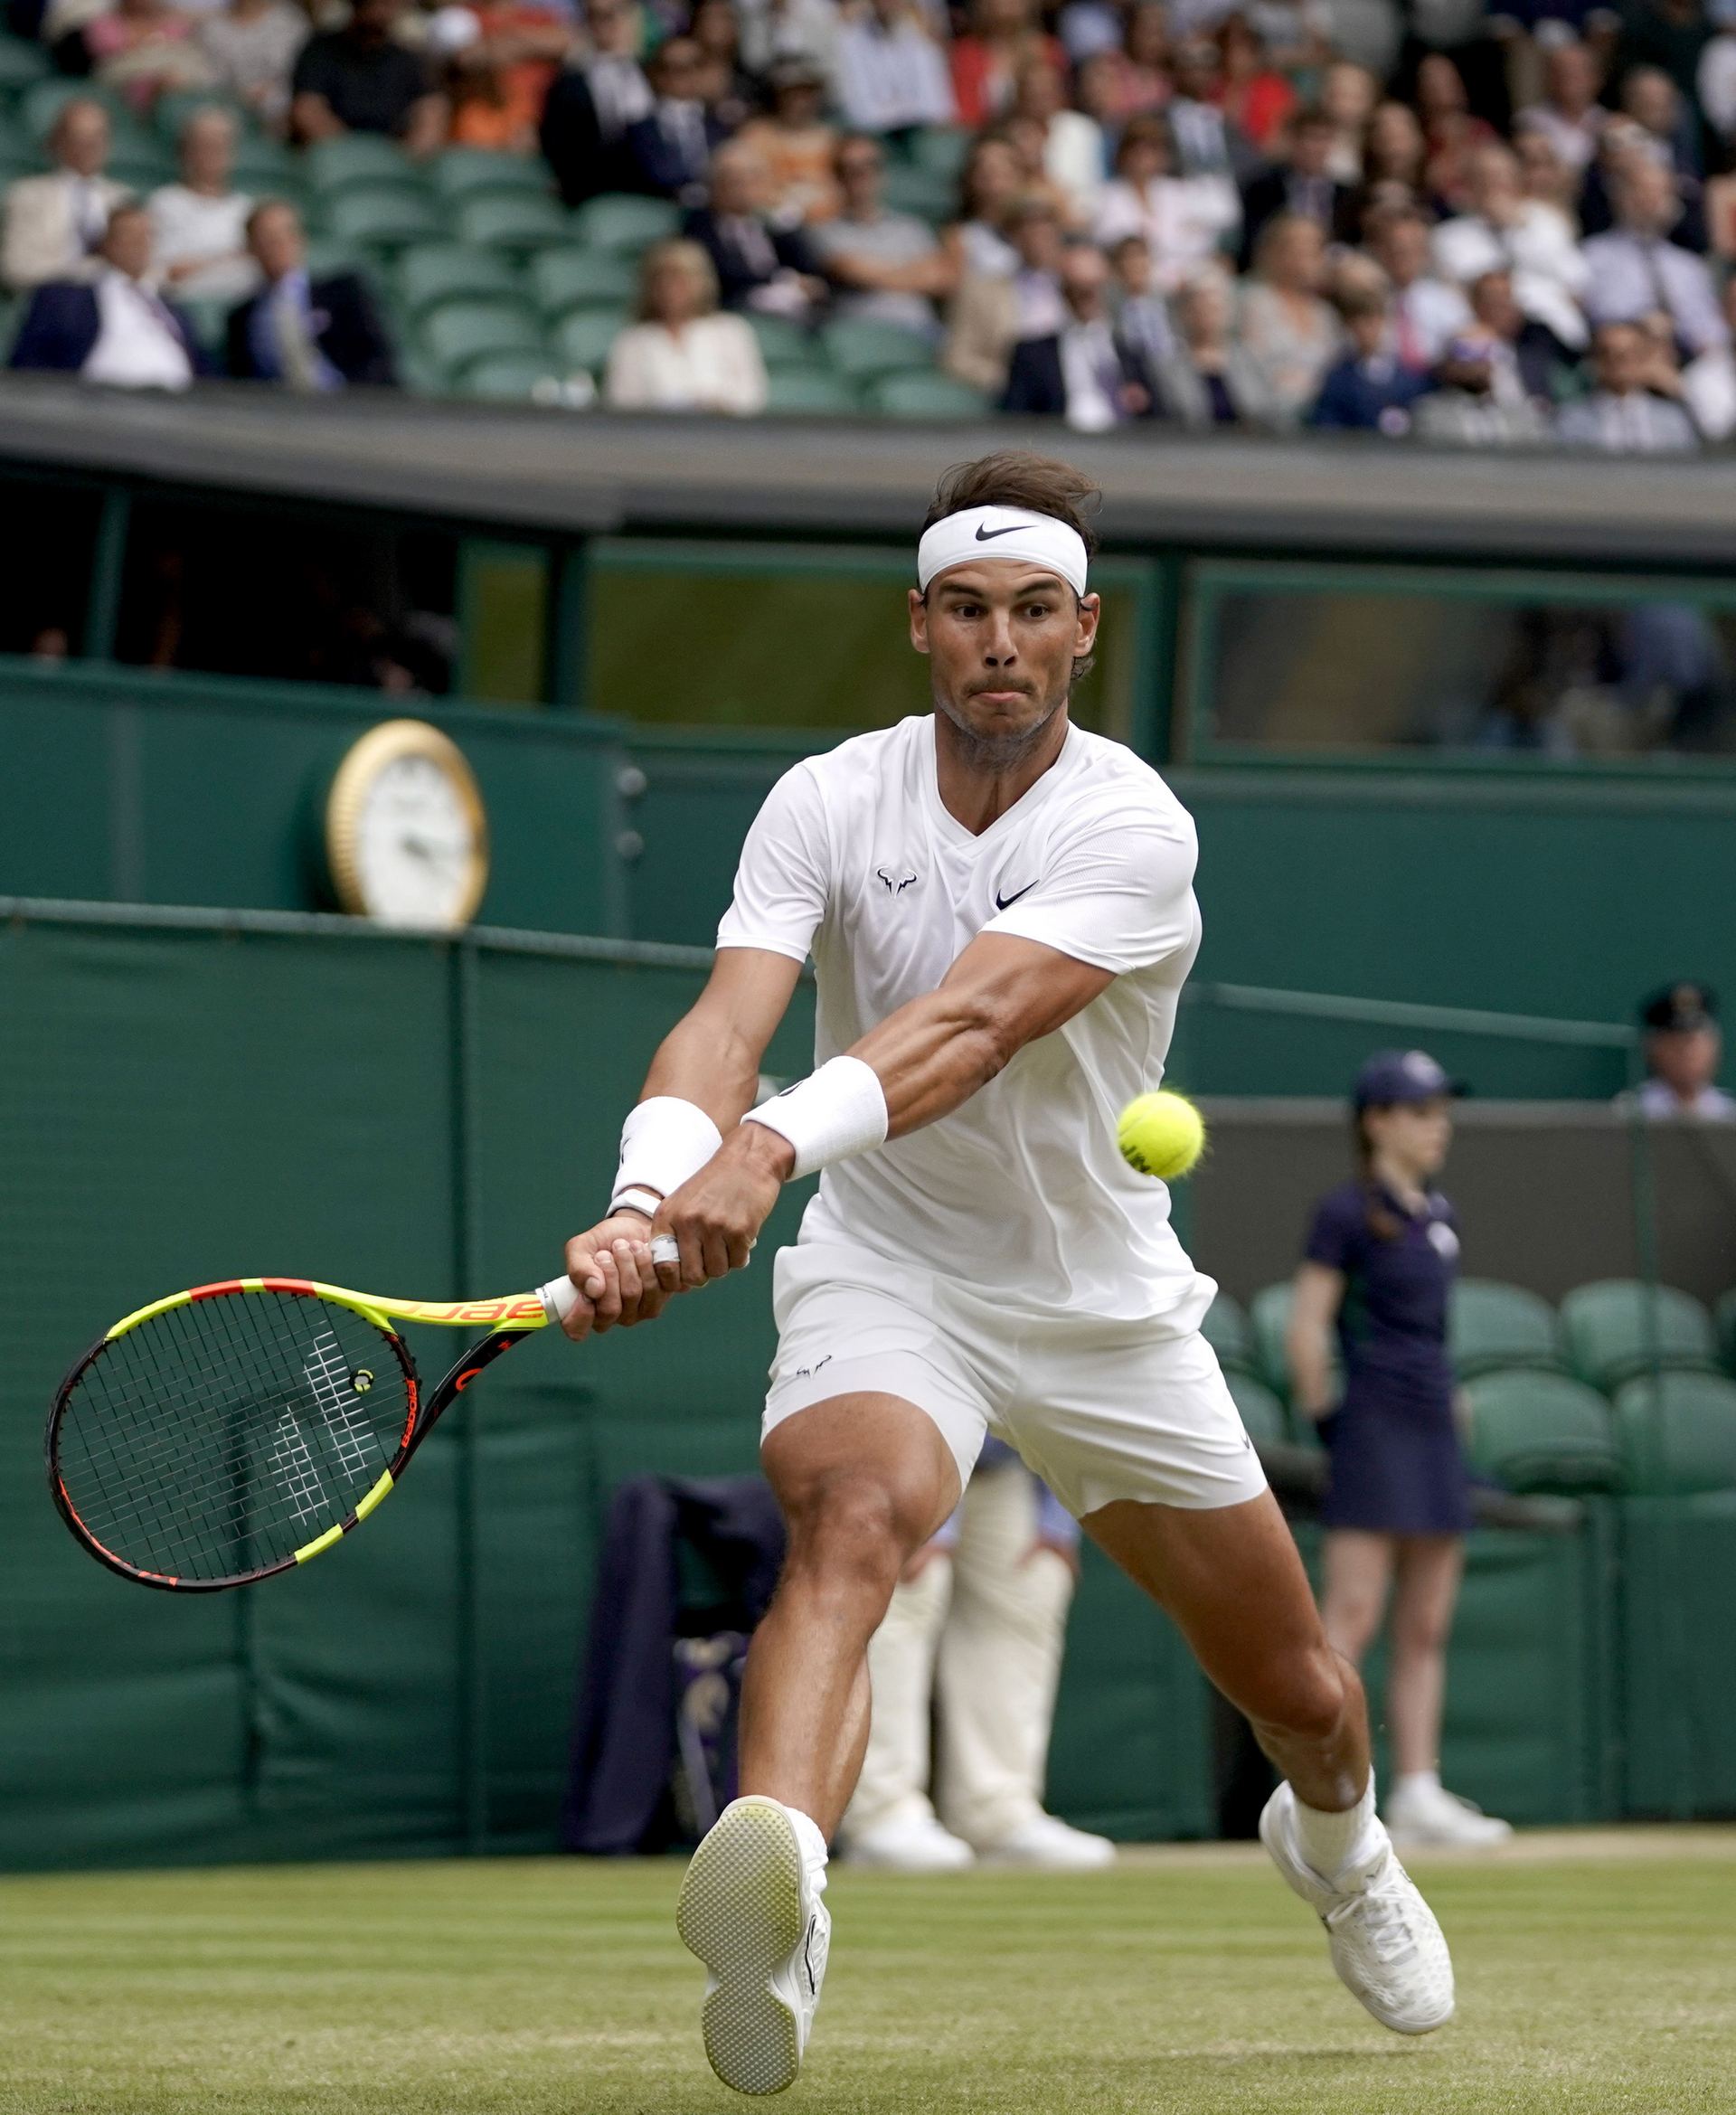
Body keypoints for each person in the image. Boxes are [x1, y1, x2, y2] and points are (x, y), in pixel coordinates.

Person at [553, 448, 1456, 2097]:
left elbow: (965, 1027)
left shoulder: (1133, 823)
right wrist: (645, 1186)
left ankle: (1341, 1849)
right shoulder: (825, 795)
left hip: (1100, 1302)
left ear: (1082, 631)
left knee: (1304, 1687)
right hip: (890, 1263)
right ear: (918, 624)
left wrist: (755, 1154)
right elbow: (725, 1020)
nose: (998, 641)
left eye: (1033, 611)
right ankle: (784, 1891)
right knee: (852, 1521)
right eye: (966, 609)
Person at [1286, 1049, 1514, 1853]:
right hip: (1374, 1426)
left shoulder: (1439, 1214)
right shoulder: (1344, 1213)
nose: (1437, 1127)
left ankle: (1418, 1789)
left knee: (1425, 1624)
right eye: (1421, 1112)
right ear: (1376, 1120)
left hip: (1432, 1431)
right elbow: (1307, 1329)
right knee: (1351, 1616)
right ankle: (1324, 1791)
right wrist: (1330, 1421)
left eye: (1441, 1112)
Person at [839, 1440, 1116, 1871]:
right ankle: (880, 1816)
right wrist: (937, 1519)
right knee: (910, 1590)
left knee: (1033, 1587)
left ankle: (996, 1814)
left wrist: (1060, 1517)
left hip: (1018, 1463)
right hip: (906, 1447)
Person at [10, 201, 203, 388]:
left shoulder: (173, 309)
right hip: (96, 407)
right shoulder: (63, 300)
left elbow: (203, 368)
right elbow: (30, 365)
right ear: (106, 243)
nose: (139, 244)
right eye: (129, 235)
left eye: (147, 236)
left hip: (178, 410)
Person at [1432, 142, 1589, 352]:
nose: (1493, 185)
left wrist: (1515, 228)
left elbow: (1575, 285)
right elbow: (1453, 297)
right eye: (1483, 177)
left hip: (1551, 333)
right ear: (1468, 186)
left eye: (1500, 176)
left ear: (1516, 180)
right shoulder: (1448, 236)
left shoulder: (1545, 220)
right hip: (1487, 341)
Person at [225, 199, 398, 386]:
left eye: (287, 233)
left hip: (351, 404)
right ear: (251, 248)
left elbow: (377, 359)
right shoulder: (242, 319)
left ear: (301, 239)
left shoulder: (343, 293)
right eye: (268, 238)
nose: (280, 245)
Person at [810, 134, 955, 337]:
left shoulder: (912, 227)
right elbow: (853, 271)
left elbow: (940, 279)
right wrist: (915, 272)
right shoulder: (824, 232)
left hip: (923, 332)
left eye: (871, 165)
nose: (862, 174)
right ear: (837, 177)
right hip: (865, 334)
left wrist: (878, 274)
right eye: (850, 168)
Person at [1580, 158, 1727, 358]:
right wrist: (1640, 322)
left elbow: (1711, 330)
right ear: (1619, 196)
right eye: (1640, 190)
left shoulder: (1690, 266)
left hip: (1686, 361)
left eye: (1660, 192)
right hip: (1622, 361)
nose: (1649, 200)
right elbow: (1596, 313)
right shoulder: (1594, 255)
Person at [603, 236, 768, 411]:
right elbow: (621, 405)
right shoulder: (633, 341)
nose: (670, 289)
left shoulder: (732, 331)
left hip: (723, 433)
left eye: (680, 280)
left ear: (702, 283)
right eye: (661, 281)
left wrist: (715, 403)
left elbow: (752, 395)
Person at [999, 242, 1156, 427]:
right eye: (1078, 289)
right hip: (1061, 447)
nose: (1089, 297)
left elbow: (1158, 417)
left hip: (1124, 445)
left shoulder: (1131, 351)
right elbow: (1015, 420)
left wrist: (1143, 402)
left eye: (1095, 287)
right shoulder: (1033, 355)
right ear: (1063, 291)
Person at [682, 141, 828, 320]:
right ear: (715, 185)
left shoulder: (771, 221)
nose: (746, 188)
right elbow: (721, 275)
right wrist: (781, 280)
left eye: (754, 179)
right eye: (735, 181)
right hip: (736, 309)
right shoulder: (700, 225)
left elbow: (806, 264)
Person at [2, 99, 130, 295]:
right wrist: (85, 271)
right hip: (53, 304)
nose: (90, 146)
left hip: (116, 304)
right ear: (57, 141)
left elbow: (139, 270)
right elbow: (15, 268)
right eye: (79, 137)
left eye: (98, 136)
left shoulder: (123, 198)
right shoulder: (26, 196)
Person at [941, 193, 1064, 393]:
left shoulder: (1079, 285)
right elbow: (957, 358)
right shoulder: (981, 291)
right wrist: (1010, 379)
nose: (1038, 235)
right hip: (1018, 397)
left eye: (1045, 225)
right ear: (1011, 235)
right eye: (1026, 227)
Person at [289, 0, 448, 156]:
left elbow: (432, 110)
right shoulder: (320, 52)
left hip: (393, 158)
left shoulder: (408, 60)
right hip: (334, 160)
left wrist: (403, 160)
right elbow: (307, 110)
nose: (380, 9)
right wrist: (356, 156)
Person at [1093, 114, 1231, 292]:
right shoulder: (1110, 196)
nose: (1144, 158)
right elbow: (1114, 243)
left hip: (1184, 277)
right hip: (1135, 282)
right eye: (1137, 151)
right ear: (1124, 154)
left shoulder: (1177, 193)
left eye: (1151, 150)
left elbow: (1200, 240)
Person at [538, 0, 653, 207]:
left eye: (613, 14)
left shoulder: (652, 74)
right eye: (595, 16)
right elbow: (558, 144)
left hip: (646, 189)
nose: (606, 24)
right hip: (590, 192)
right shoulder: (569, 82)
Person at [1151, 263, 1287, 426]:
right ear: (1183, 312)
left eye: (1214, 306)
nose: (1207, 313)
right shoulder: (1167, 367)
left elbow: (1268, 411)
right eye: (1198, 305)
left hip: (1248, 448)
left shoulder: (1249, 359)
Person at [1238, 211, 1341, 420]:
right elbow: (1246, 365)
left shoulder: (1327, 314)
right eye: (1297, 247)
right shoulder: (1252, 301)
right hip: (1267, 416)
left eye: (1315, 248)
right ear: (1273, 252)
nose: (1307, 255)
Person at [149, 106, 256, 302]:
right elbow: (166, 272)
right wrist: (228, 259)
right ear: (185, 152)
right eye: (203, 146)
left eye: (220, 146)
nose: (211, 155)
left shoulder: (247, 208)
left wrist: (200, 265)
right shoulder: (164, 202)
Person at [1237, 105, 1360, 267]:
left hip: (1333, 269)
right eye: (1308, 138)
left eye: (1323, 139)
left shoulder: (1347, 195)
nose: (1314, 148)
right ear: (1292, 140)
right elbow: (1253, 242)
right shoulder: (1263, 188)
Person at [1555, 317, 1698, 449]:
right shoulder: (1571, 420)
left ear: (1644, 358)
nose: (1618, 363)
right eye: (1607, 353)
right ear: (1594, 359)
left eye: (1627, 354)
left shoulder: (1672, 420)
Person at [1308, 283, 1431, 430]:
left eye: (1372, 322)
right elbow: (1327, 424)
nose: (1366, 331)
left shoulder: (1408, 378)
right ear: (1349, 327)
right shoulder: (1338, 379)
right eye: (1358, 323)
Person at [738, 55, 843, 223]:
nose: (800, 102)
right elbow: (749, 187)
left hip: (829, 223)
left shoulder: (831, 137)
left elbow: (841, 187)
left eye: (807, 93)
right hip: (774, 224)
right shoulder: (756, 135)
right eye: (792, 94)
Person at [625, 37, 730, 203]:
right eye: (667, 67)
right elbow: (655, 175)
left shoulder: (721, 127)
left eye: (689, 66)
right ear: (655, 74)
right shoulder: (638, 131)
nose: (677, 76)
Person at [1369, 205, 1472, 371]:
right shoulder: (1368, 299)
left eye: (1411, 249)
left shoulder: (1444, 299)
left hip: (1438, 381)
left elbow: (1467, 345)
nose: (1403, 257)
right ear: (1379, 250)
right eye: (1396, 249)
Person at [835, 0, 955, 137]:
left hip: (920, 128)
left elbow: (935, 104)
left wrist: (903, 113)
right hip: (876, 132)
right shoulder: (851, 38)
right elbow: (861, 109)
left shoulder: (922, 39)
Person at [196, 0, 308, 132]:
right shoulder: (212, 27)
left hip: (283, 107)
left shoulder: (290, 20)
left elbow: (301, 69)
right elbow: (209, 79)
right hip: (230, 108)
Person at [1628, 983, 1736, 1118]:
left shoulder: (1729, 1114)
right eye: (1675, 1043)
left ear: (1714, 1046)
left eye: (1693, 1042)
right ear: (1654, 1049)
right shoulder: (1632, 1113)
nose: (1687, 1052)